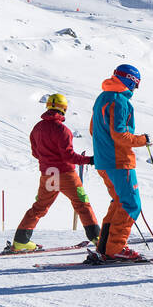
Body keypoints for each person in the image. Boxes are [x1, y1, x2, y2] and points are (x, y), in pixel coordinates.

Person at [6, 93, 100, 252]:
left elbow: (35, 153)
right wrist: (89, 160)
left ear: (48, 106)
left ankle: (21, 241)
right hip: (65, 174)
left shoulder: (37, 128)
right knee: (82, 204)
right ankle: (98, 238)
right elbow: (68, 156)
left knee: (39, 207)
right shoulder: (62, 130)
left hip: (49, 174)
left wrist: (47, 159)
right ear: (64, 109)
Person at [87, 63, 152, 263]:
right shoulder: (120, 101)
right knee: (131, 204)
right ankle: (115, 249)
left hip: (104, 161)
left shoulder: (102, 97)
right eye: (136, 84)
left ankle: (106, 247)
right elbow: (121, 135)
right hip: (119, 161)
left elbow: (92, 129)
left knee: (118, 202)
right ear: (129, 80)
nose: (135, 89)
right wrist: (142, 139)